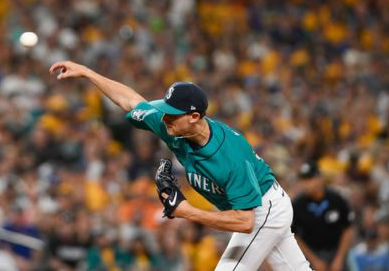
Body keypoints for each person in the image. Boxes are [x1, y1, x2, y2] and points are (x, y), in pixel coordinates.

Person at [48, 60, 313, 270]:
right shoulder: (171, 124)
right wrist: (87, 73)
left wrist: (186, 211)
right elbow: (130, 100)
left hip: (263, 208)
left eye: (173, 114)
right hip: (253, 209)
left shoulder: (231, 155)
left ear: (194, 117)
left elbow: (246, 221)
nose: (165, 119)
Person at [292, 160, 355, 271]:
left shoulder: (336, 199)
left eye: (309, 179)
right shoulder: (298, 205)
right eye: (303, 180)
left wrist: (339, 258)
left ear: (320, 178)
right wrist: (314, 260)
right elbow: (294, 235)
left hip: (336, 252)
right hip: (312, 254)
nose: (306, 184)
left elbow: (348, 229)